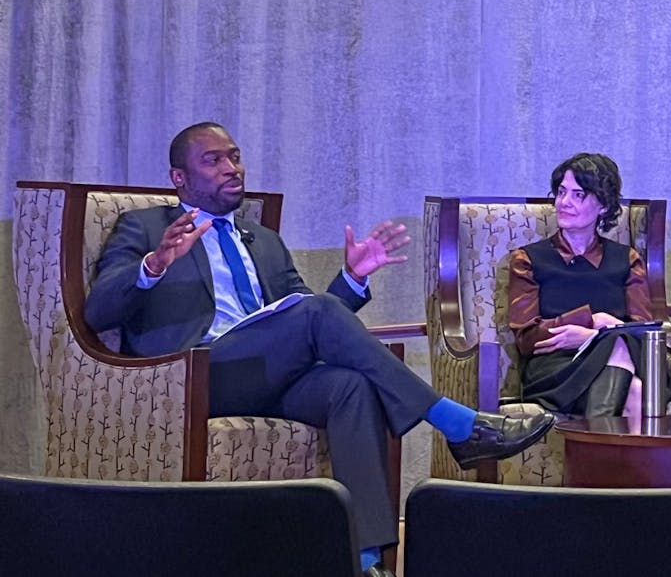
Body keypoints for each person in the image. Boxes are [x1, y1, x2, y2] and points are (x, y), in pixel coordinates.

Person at [84, 122, 553, 577]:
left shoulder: (262, 241)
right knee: (321, 314)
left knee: (350, 387)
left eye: (235, 156)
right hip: (193, 377)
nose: (232, 167)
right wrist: (155, 264)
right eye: (213, 160)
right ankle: (457, 423)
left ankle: (365, 561)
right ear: (179, 178)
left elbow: (305, 314)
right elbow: (98, 311)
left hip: (264, 375)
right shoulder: (144, 227)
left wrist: (353, 278)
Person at [508, 152, 655, 418]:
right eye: (561, 192)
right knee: (634, 387)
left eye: (578, 195)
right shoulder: (528, 259)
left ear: (604, 205)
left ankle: (598, 456)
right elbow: (527, 338)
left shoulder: (627, 259)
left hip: (620, 358)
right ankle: (609, 455)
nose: (564, 202)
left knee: (628, 371)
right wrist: (591, 319)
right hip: (556, 371)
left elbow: (643, 331)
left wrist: (592, 337)